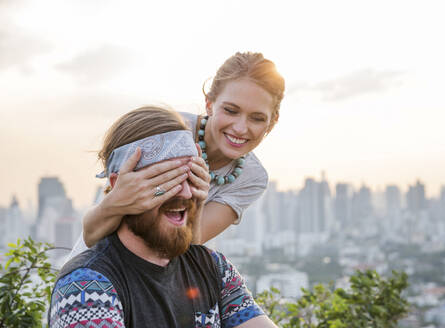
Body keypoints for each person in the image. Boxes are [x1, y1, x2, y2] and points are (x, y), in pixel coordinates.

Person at [49, 106, 277, 328]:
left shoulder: (214, 269)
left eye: (191, 178)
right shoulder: (85, 286)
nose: (186, 193)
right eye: (165, 182)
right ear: (118, 187)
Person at [69, 52, 285, 258]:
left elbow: (187, 247)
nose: (240, 128)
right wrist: (119, 199)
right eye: (230, 110)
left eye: (256, 118)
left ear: (272, 122)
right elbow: (91, 233)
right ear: (209, 104)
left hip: (154, 280)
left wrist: (198, 202)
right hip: (93, 269)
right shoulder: (167, 131)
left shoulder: (252, 178)